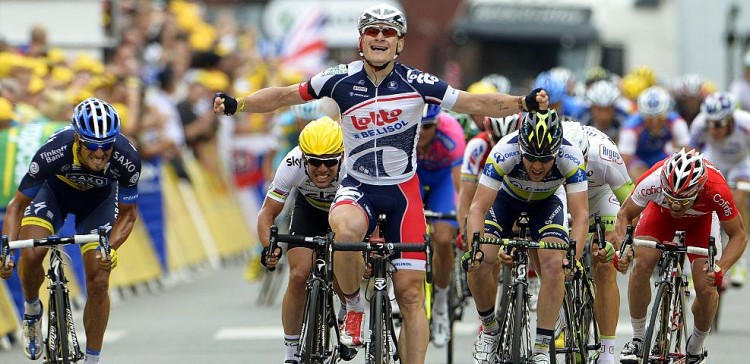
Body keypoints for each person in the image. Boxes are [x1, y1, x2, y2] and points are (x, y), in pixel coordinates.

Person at [213, 4, 548, 362]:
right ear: (361, 39)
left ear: (400, 42)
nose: (379, 38)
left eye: (388, 32)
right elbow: (283, 96)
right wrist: (239, 104)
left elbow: (473, 102)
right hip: (358, 187)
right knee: (344, 231)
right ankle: (355, 306)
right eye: (372, 31)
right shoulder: (338, 78)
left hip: (403, 193)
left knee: (411, 296)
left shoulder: (418, 83)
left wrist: (520, 103)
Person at [1, 97, 141, 364]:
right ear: (77, 138)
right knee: (31, 254)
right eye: (91, 146)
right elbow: (16, 206)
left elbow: (128, 215)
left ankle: (92, 360)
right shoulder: (53, 150)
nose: (99, 154)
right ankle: (31, 311)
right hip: (54, 194)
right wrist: (6, 249)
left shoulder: (128, 157)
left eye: (106, 147)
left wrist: (110, 248)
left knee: (99, 279)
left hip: (98, 203)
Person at [465, 109, 588, 364]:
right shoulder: (503, 150)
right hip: (506, 201)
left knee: (555, 263)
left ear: (557, 152)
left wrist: (572, 258)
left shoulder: (572, 157)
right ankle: (489, 331)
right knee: (480, 261)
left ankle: (542, 347)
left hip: (547, 204)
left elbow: (581, 215)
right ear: (520, 148)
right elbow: (477, 208)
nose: (536, 166)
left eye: (545, 159)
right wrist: (474, 248)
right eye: (530, 157)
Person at [614, 148, 747, 364]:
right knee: (642, 264)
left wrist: (720, 267)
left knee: (706, 288)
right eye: (671, 197)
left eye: (683, 200)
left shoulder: (716, 189)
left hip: (700, 221)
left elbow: (739, 235)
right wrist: (623, 248)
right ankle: (638, 339)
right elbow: (624, 215)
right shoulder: (653, 180)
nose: (676, 205)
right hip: (660, 216)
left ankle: (695, 347)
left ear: (699, 189)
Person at [257, 116, 346, 364]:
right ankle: (291, 353)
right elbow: (267, 213)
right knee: (298, 275)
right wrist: (269, 248)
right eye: (315, 162)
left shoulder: (353, 161)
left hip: (345, 211)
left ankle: (348, 306)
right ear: (304, 158)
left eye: (329, 162)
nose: (322, 169)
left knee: (343, 268)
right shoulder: (292, 162)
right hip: (309, 208)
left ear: (340, 157)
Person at [562, 120, 635, 364]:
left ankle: (607, 351)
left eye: (579, 161)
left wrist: (618, 240)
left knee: (604, 265)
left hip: (599, 195)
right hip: (560, 195)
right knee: (554, 253)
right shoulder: (549, 154)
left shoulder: (604, 154)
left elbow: (631, 207)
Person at [415, 104, 465, 347]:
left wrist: (463, 220)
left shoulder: (452, 133)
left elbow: (459, 184)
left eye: (428, 127)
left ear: (437, 123)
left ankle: (442, 305)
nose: (422, 132)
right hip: (414, 175)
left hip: (443, 180)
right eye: (418, 126)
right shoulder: (404, 128)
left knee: (443, 238)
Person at [689, 92, 750, 287]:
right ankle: (693, 263)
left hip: (741, 163)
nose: (713, 129)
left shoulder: (745, 123)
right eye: (710, 124)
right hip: (713, 160)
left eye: (718, 124)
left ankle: (740, 261)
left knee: (738, 199)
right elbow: (691, 154)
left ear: (731, 119)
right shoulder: (699, 124)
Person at [618, 86, 690, 181]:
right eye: (649, 119)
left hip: (661, 154)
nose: (655, 123)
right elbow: (624, 162)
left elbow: (687, 153)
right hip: (638, 158)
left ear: (666, 113)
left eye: (659, 118)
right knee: (643, 180)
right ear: (642, 115)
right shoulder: (631, 127)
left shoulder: (676, 122)